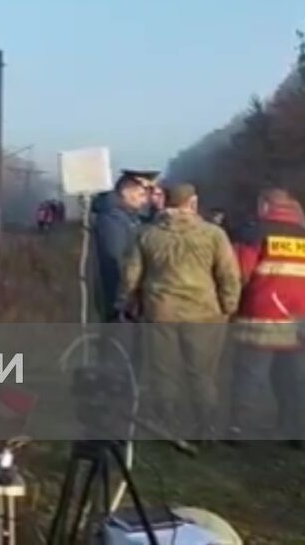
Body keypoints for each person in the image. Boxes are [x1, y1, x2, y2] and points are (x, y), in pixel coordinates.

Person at [123, 183, 241, 438]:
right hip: (204, 313)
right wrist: (228, 307)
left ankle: (167, 424)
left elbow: (131, 276)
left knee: (164, 371)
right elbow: (229, 275)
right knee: (202, 373)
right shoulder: (214, 234)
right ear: (194, 202)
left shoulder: (146, 234)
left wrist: (128, 303)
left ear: (165, 202)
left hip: (160, 311)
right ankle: (205, 426)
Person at [227, 189, 305, 445]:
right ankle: (299, 432)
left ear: (265, 205)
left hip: (264, 315)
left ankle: (239, 430)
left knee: (251, 375)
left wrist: (231, 306)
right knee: (299, 377)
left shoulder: (255, 233)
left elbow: (239, 273)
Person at [90, 174, 150, 322]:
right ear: (125, 192)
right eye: (141, 194)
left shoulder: (128, 216)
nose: (144, 200)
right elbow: (115, 260)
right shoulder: (113, 218)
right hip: (117, 300)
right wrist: (122, 300)